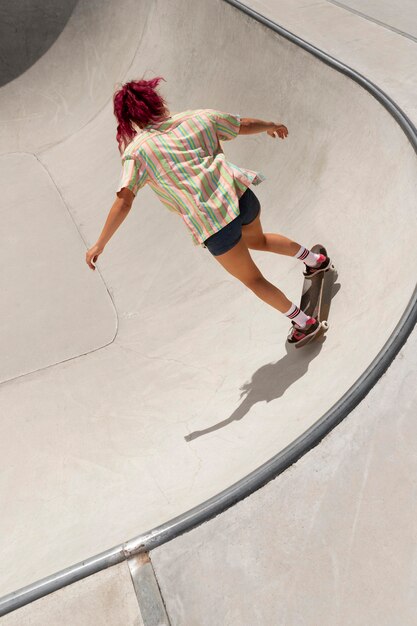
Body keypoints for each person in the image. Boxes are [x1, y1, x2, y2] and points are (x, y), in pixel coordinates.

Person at [85, 76, 331, 344]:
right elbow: (243, 125)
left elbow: (124, 200)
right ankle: (315, 261)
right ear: (157, 101)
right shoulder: (197, 118)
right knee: (258, 240)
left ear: (130, 120)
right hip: (240, 196)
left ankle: (303, 323)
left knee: (253, 279)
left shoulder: (137, 152)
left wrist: (100, 244)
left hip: (213, 224)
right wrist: (271, 125)